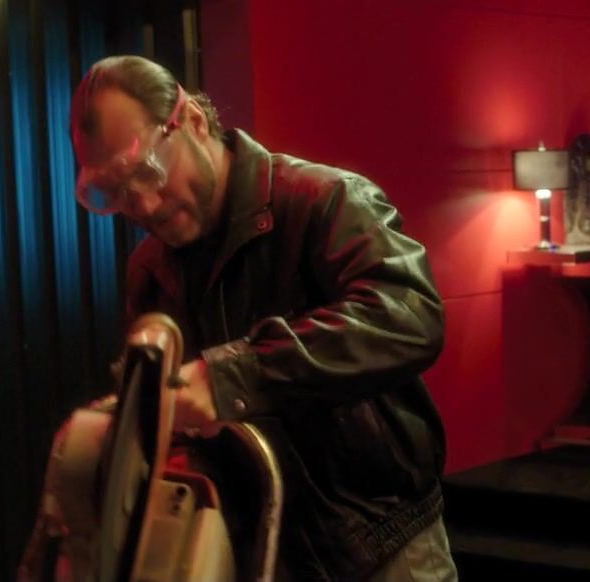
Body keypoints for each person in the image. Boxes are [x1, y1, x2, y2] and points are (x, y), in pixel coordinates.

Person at [65, 55, 456, 581]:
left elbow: (410, 315)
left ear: (193, 121)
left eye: (150, 171)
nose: (146, 206)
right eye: (116, 193)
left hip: (382, 543)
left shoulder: (324, 200)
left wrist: (230, 378)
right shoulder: (149, 269)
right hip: (263, 554)